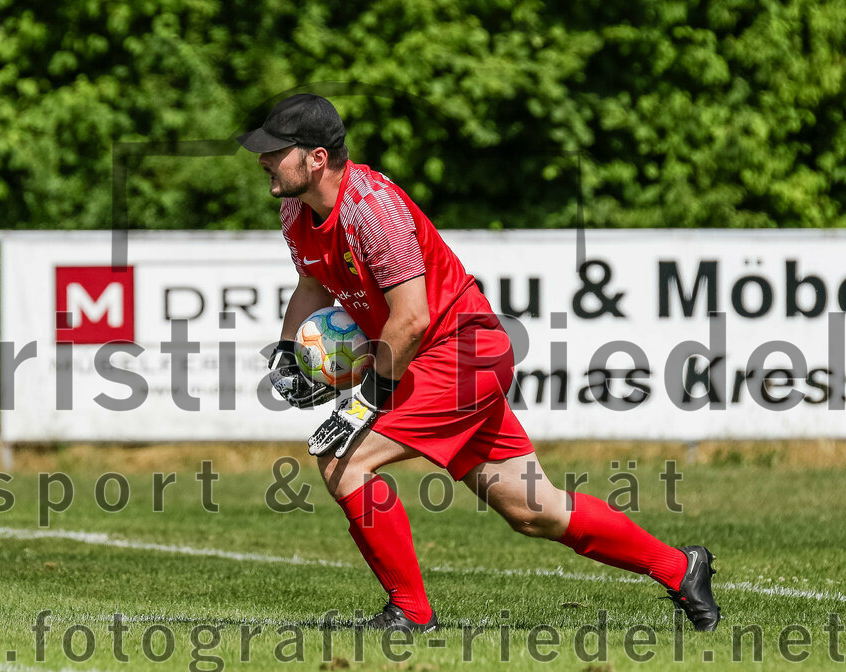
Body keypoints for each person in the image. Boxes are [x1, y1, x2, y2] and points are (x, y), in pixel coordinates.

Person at [237, 94, 721, 632]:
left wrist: (366, 401)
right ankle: (681, 568)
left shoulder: (372, 210)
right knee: (534, 510)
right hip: (431, 361)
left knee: (342, 459)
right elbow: (312, 282)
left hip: (463, 354)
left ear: (317, 158)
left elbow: (412, 319)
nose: (263, 160)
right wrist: (288, 351)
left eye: (275, 151)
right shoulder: (296, 211)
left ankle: (411, 612)